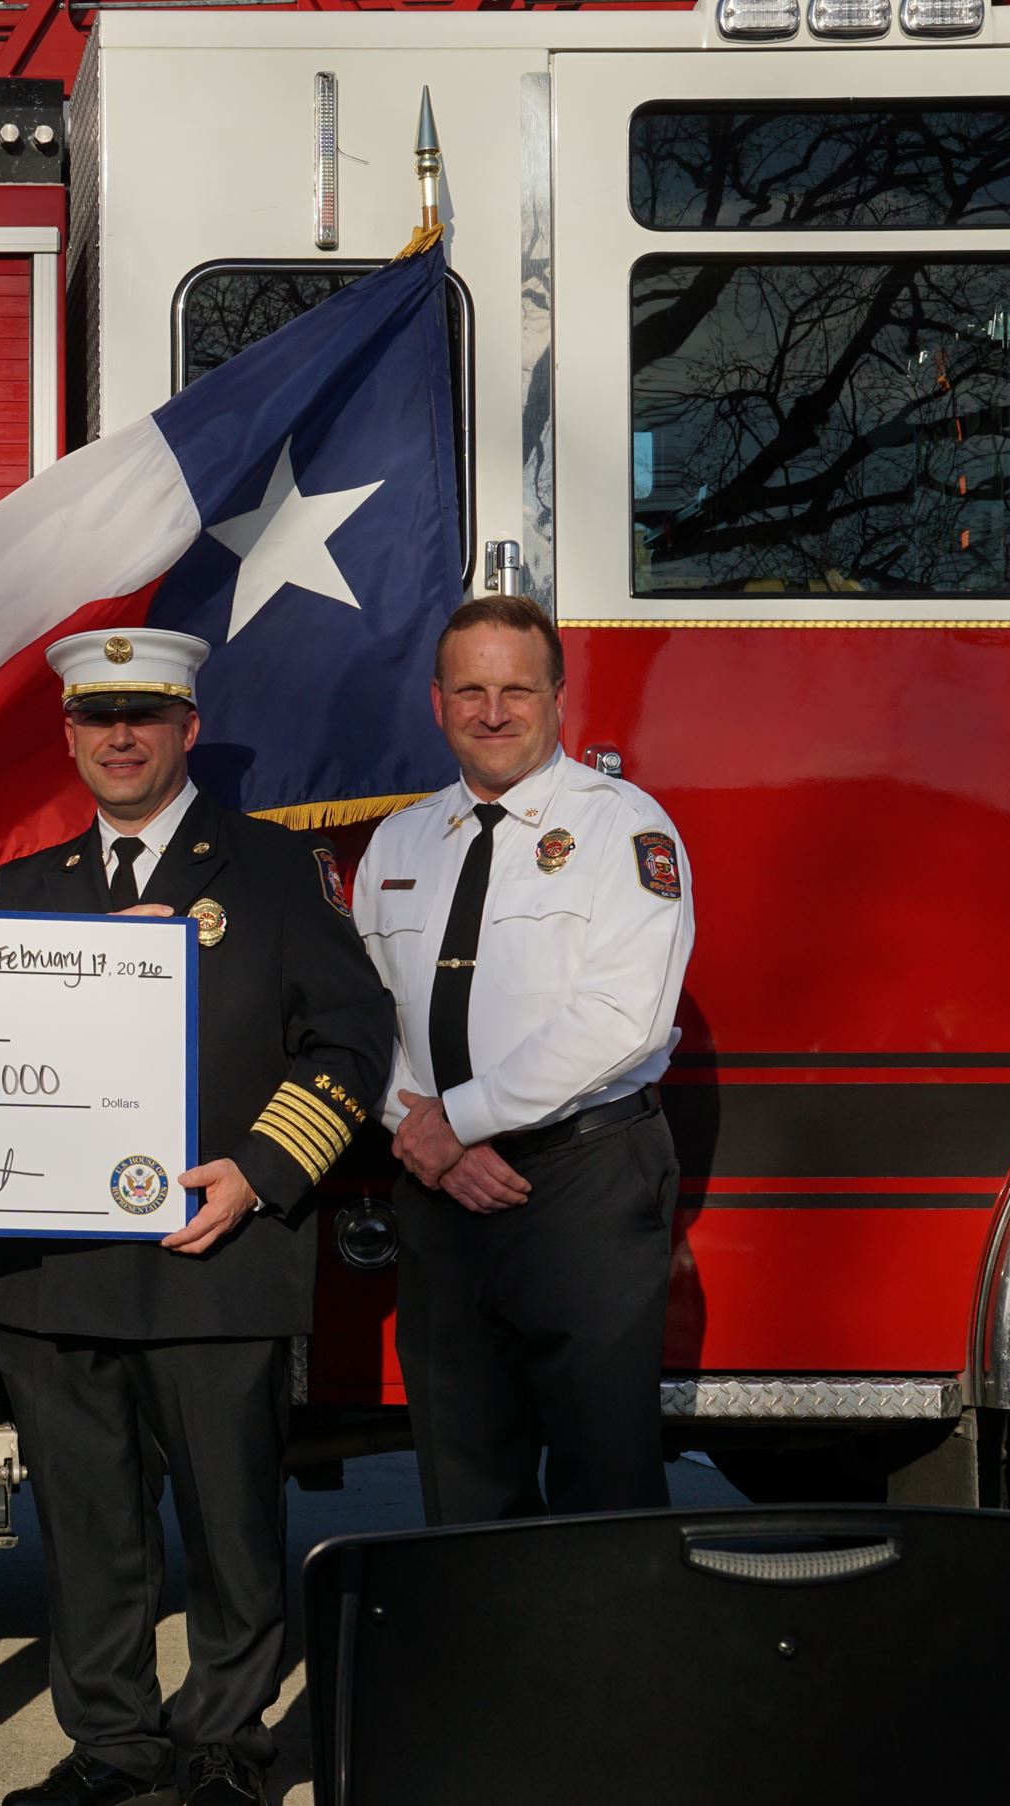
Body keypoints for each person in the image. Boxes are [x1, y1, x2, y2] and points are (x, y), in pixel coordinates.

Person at [0, 629, 392, 1806]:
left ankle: (223, 1741)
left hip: (219, 1255)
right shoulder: (19, 894)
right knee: (87, 1528)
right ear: (67, 736)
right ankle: (111, 1742)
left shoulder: (273, 873)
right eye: (96, 718)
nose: (119, 737)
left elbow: (351, 1041)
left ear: (186, 731)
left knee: (227, 1524)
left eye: (144, 716)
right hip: (52, 1269)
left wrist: (262, 1171)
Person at [353, 595, 694, 1524]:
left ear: (558, 697)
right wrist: (425, 1135)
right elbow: (365, 1019)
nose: (493, 711)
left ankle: (608, 1670)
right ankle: (486, 1668)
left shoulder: (623, 829)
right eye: (470, 690)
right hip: (441, 1194)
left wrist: (457, 1123)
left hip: (580, 1184)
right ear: (437, 702)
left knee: (603, 1484)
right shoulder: (401, 840)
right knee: (463, 1484)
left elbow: (623, 1018)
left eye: (516, 689)